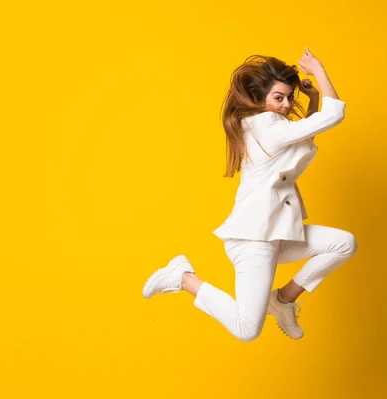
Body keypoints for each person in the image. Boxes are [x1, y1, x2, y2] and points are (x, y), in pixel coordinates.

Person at [142, 47, 358, 342]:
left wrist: (314, 98)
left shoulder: (269, 127)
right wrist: (318, 69)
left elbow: (305, 137)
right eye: (278, 98)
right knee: (247, 330)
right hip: (254, 240)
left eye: (289, 97)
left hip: (275, 233)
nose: (285, 105)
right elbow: (335, 115)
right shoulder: (266, 126)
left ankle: (282, 300)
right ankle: (183, 277)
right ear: (261, 99)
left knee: (343, 244)